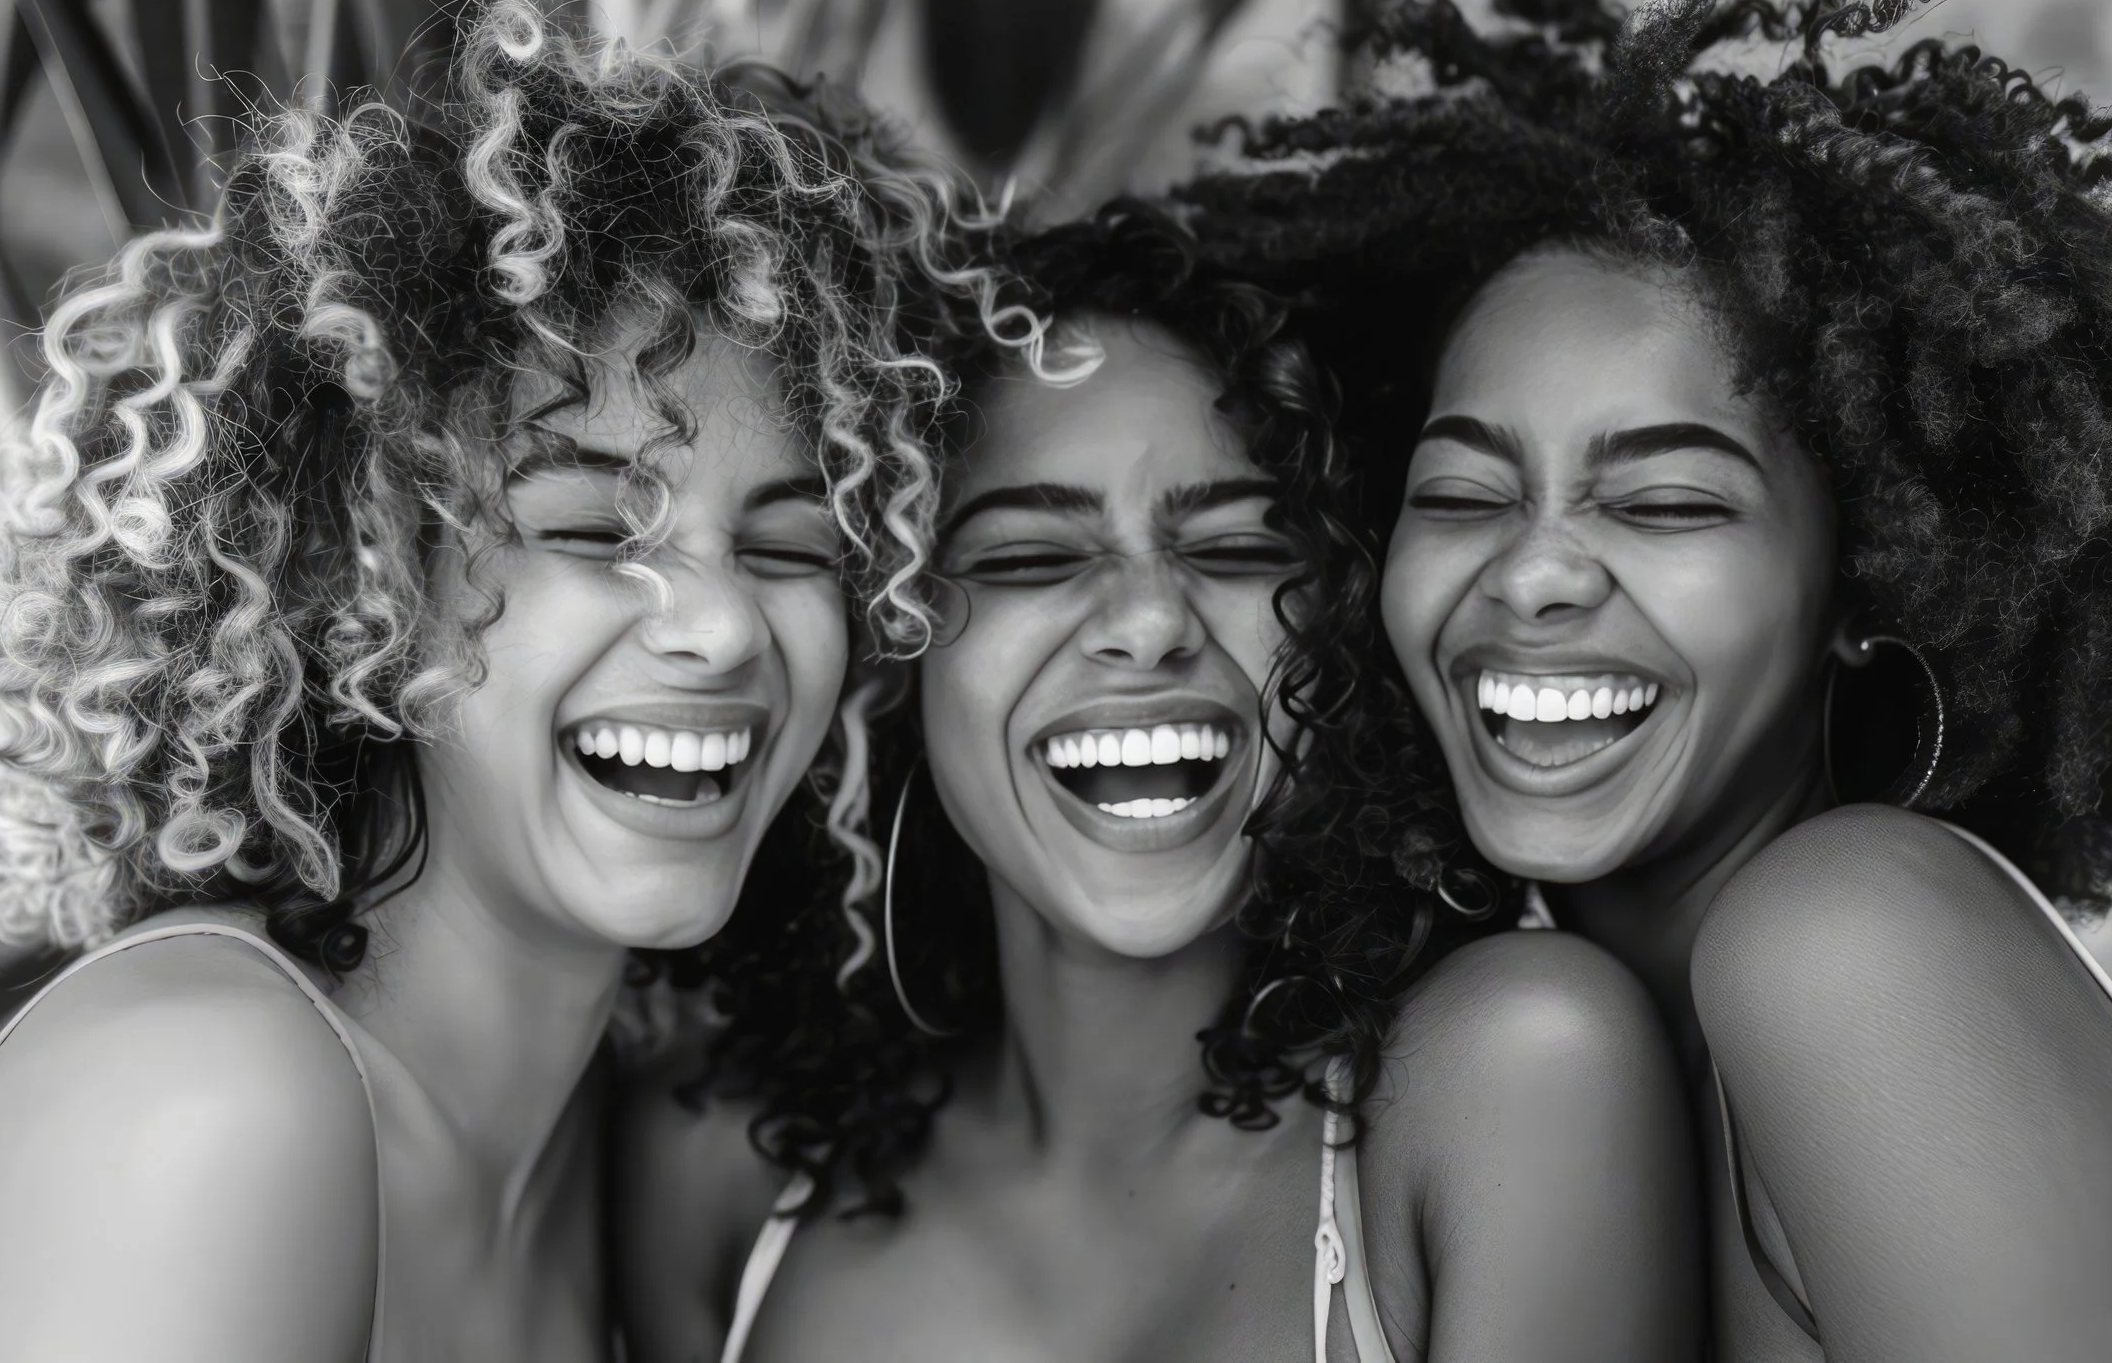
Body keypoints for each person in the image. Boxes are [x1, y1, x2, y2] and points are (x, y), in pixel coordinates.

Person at [1181, 0, 2112, 1359]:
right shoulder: (1536, 1071)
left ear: (1863, 585)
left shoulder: (1850, 948)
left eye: (1667, 502)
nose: (1533, 574)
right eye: (1463, 494)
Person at [0, 0, 1015, 1361]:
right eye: (593, 532)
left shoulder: (600, 1139)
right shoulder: (216, 1103)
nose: (721, 629)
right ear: (356, 578)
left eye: (790, 548)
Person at [616, 204, 1700, 1363]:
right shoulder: (721, 1169)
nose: (1146, 623)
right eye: (1030, 558)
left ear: (1339, 637)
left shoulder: (1512, 1069)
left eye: (1236, 549)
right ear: (894, 660)